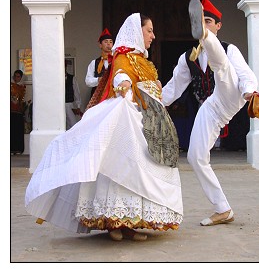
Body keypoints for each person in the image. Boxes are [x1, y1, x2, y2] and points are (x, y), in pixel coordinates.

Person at [25, 13, 183, 242]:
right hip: (126, 118)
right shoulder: (123, 56)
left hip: (146, 120)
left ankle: (131, 223)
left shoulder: (145, 61)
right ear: (137, 32)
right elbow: (119, 75)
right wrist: (124, 83)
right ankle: (112, 222)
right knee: (119, 167)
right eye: (149, 30)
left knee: (140, 168)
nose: (153, 35)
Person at [162, 0, 259, 227]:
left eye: (208, 21)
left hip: (231, 96)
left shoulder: (230, 49)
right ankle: (223, 208)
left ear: (218, 25)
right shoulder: (187, 58)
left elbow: (246, 75)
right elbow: (173, 87)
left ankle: (208, 40)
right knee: (195, 157)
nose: (206, 23)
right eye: (202, 22)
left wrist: (250, 92)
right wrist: (154, 101)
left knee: (221, 67)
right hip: (210, 107)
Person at [85, 28, 114, 99]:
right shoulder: (94, 62)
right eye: (106, 42)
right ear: (100, 45)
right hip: (99, 96)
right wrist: (98, 80)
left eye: (110, 42)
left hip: (113, 94)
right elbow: (88, 81)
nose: (108, 44)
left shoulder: (117, 60)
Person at [10, 69, 26, 154]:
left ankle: (18, 149)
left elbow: (22, 99)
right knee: (11, 130)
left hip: (19, 111)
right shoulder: (10, 85)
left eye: (18, 76)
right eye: (15, 76)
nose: (16, 78)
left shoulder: (23, 87)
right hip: (11, 111)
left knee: (18, 131)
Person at [65, 59, 82, 129]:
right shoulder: (56, 79)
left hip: (69, 104)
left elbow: (76, 92)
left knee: (73, 124)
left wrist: (78, 106)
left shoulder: (72, 78)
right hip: (58, 106)